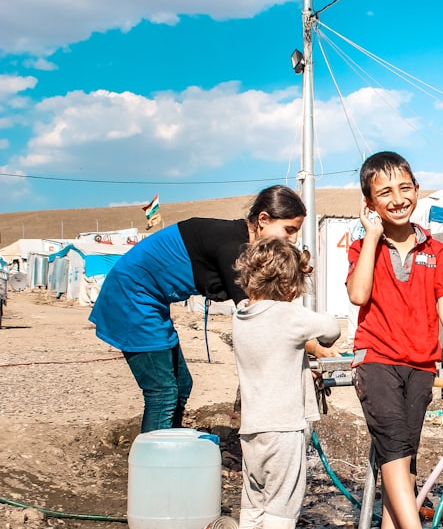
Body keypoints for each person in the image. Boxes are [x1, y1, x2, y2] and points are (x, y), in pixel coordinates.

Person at [89, 185, 332, 433]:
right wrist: (312, 346)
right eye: (289, 230)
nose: (293, 239)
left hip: (152, 299)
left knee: (181, 386)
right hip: (132, 296)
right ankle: (156, 464)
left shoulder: (238, 242)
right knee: (162, 392)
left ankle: (170, 447)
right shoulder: (232, 248)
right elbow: (258, 316)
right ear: (263, 219)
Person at [346, 151, 443, 529]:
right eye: (384, 192)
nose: (397, 198)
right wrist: (370, 237)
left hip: (421, 363)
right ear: (370, 202)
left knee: (401, 455)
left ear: (417, 190)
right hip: (376, 359)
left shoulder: (436, 249)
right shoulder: (363, 246)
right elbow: (358, 295)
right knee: (395, 448)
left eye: (404, 188)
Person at [230, 237, 340, 529]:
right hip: (284, 426)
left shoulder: (241, 314)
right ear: (291, 285)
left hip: (252, 427)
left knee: (254, 495)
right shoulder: (290, 315)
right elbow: (331, 329)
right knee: (283, 497)